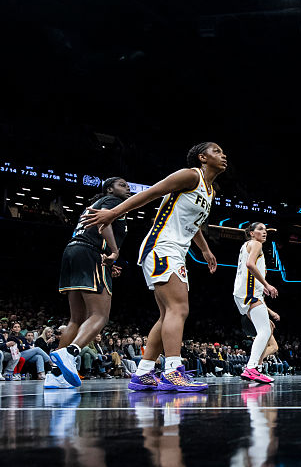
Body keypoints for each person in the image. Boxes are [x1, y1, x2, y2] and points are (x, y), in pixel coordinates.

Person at [82, 142, 225, 392]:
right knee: (179, 309)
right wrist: (113, 213)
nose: (223, 155)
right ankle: (172, 371)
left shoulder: (210, 191)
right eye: (217, 151)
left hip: (175, 250)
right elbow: (150, 194)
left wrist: (204, 248)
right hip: (162, 246)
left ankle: (143, 372)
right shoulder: (189, 175)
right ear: (202, 157)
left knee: (167, 314)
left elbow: (194, 223)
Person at [47, 177, 131, 389]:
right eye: (122, 184)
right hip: (89, 253)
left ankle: (55, 374)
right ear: (109, 189)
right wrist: (114, 252)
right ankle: (71, 352)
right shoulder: (112, 202)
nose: (127, 187)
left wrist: (108, 261)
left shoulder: (95, 204)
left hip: (73, 251)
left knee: (76, 318)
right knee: (100, 315)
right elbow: (104, 225)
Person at [233, 222, 280, 384]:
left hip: (244, 292)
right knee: (264, 331)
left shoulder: (247, 245)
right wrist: (267, 284)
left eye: (266, 229)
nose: (264, 232)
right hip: (249, 292)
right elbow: (250, 264)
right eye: (260, 229)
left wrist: (262, 286)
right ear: (251, 233)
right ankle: (252, 367)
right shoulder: (255, 244)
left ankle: (256, 368)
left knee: (268, 328)